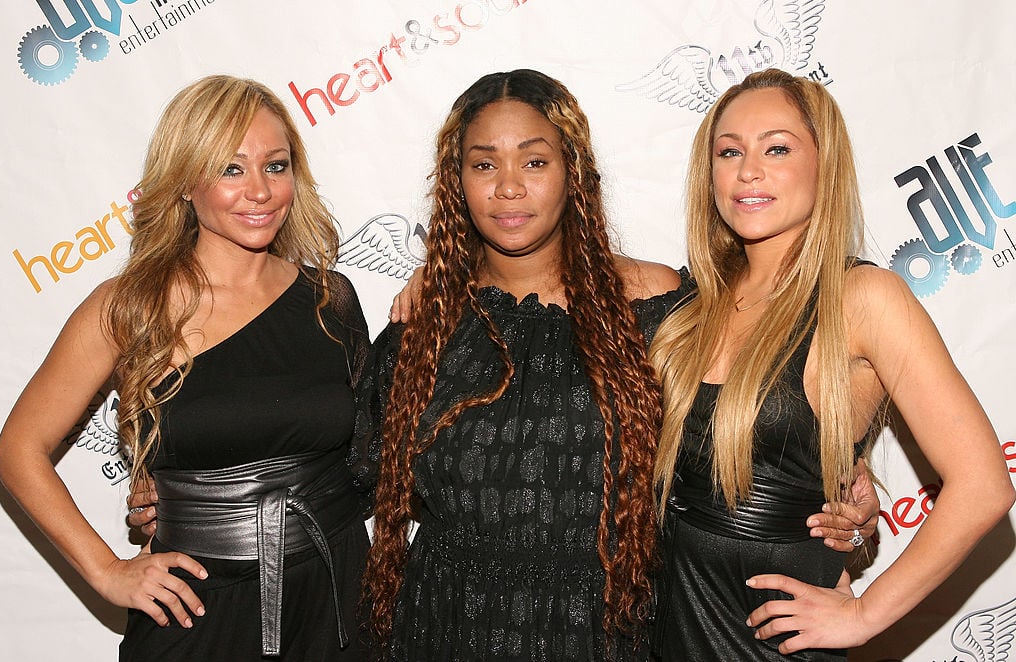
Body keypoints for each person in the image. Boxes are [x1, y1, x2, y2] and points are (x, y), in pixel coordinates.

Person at [352, 69, 877, 662]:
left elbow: (747, 407)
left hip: (606, 628)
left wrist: (839, 473)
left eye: (534, 162)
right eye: (483, 164)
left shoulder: (659, 307)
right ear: (457, 180)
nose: (508, 188)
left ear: (574, 171)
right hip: (446, 625)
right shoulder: (424, 325)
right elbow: (358, 476)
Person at [0, 75, 371, 661]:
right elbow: (19, 449)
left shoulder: (331, 299)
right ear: (185, 183)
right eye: (230, 169)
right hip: (198, 607)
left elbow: (375, 448)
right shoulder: (131, 308)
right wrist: (106, 570)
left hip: (336, 592)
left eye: (275, 166)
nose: (259, 191)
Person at [647, 68, 1015, 660]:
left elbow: (983, 484)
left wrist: (865, 614)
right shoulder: (692, 305)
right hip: (665, 619)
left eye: (777, 148)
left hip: (767, 638)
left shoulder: (862, 298)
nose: (748, 170)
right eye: (729, 152)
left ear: (825, 165)